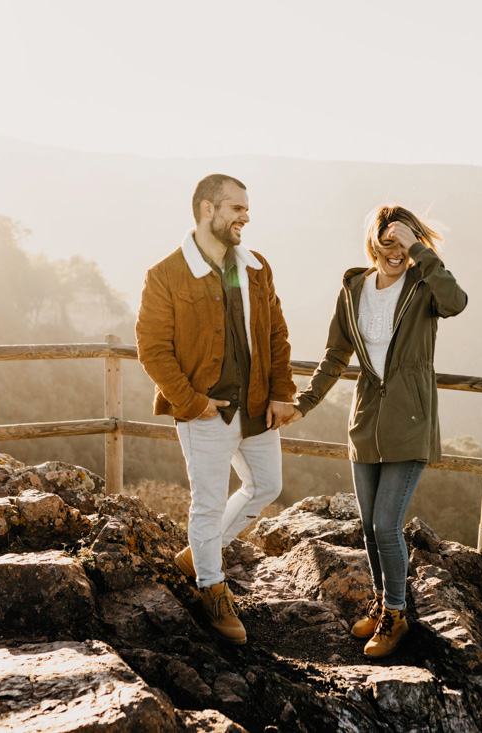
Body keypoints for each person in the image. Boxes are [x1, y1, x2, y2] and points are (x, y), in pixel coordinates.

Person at [283, 205, 467, 657]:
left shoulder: (425, 285)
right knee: (368, 526)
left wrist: (420, 251)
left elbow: (456, 303)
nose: (395, 253)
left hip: (410, 421)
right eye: (388, 242)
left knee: (387, 524)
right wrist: (304, 403)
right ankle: (383, 601)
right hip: (366, 421)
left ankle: (398, 615)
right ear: (374, 243)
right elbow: (334, 355)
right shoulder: (354, 289)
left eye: (404, 244)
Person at [136, 174, 296, 645]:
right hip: (203, 412)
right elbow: (152, 347)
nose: (246, 216)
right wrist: (191, 402)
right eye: (237, 208)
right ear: (208, 210)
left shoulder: (256, 268)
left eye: (247, 208)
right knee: (206, 504)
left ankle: (197, 555)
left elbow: (276, 336)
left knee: (266, 485)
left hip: (256, 407)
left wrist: (282, 392)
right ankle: (212, 587)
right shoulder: (165, 274)